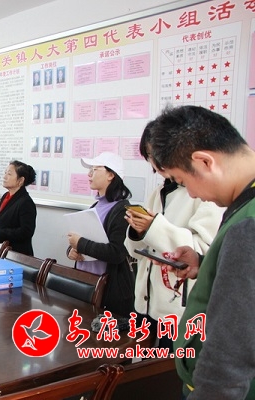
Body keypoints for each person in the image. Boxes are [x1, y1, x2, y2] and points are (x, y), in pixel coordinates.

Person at [147, 105, 255, 399]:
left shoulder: (249, 224)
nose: (192, 194)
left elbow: (230, 352)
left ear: (205, 161)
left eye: (183, 182)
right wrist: (205, 264)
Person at [124, 122, 223, 349]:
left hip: (178, 307)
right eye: (150, 155)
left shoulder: (202, 193)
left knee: (169, 364)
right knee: (142, 363)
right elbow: (135, 253)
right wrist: (138, 232)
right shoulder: (158, 192)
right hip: (146, 302)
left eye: (160, 153)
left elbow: (204, 251)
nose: (157, 162)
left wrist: (154, 228)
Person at [67, 152, 134, 317]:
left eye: (95, 169)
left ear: (111, 175)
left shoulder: (122, 210)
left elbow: (116, 252)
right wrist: (72, 250)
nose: (89, 174)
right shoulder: (95, 206)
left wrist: (80, 244)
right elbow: (83, 240)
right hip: (85, 284)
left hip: (107, 292)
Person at [0, 161, 37, 256]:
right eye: (5, 173)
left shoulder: (26, 202)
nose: (4, 177)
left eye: (9, 174)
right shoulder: (6, 196)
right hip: (2, 250)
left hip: (17, 254)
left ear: (20, 180)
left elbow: (26, 232)